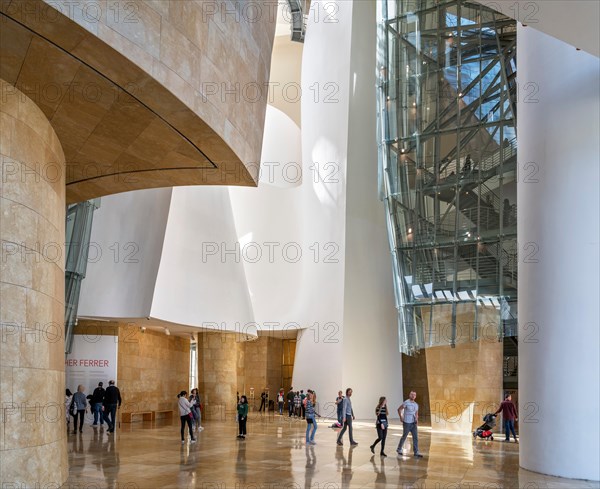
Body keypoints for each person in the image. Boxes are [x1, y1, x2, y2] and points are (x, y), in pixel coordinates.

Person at [397, 391, 423, 457]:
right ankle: (399, 449)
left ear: (415, 396)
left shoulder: (416, 404)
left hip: (413, 423)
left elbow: (416, 414)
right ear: (409, 395)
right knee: (404, 436)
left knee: (415, 437)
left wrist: (417, 420)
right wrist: (401, 417)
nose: (413, 396)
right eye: (412, 394)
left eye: (414, 395)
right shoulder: (406, 402)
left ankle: (416, 452)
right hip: (407, 422)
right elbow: (399, 409)